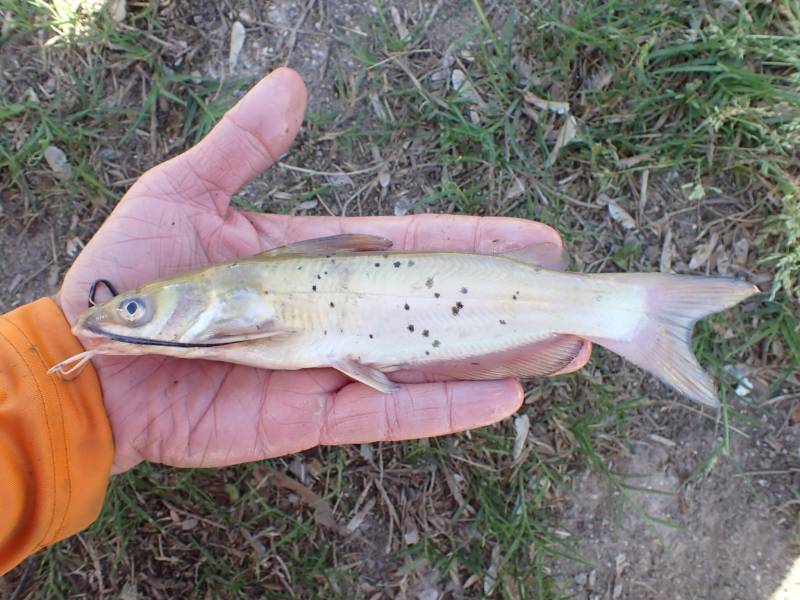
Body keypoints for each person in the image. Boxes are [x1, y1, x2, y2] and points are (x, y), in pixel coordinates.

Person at [0, 68, 589, 575]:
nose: (123, 318)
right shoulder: (208, 309)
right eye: (135, 309)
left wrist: (53, 408)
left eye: (135, 309)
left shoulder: (231, 298)